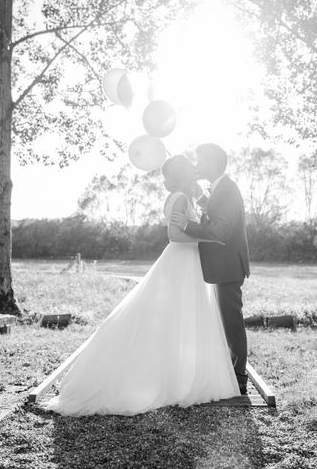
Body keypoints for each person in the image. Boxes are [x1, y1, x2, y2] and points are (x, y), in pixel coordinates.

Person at [42, 155, 239, 416]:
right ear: (184, 173)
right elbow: (175, 235)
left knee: (183, 317)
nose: (195, 170)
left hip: (188, 261)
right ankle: (169, 379)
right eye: (191, 169)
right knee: (176, 315)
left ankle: (180, 374)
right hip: (182, 259)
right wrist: (209, 240)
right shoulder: (180, 197)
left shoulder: (185, 196)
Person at [170, 143, 250, 394]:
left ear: (214, 163)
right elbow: (215, 214)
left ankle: (238, 377)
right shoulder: (220, 189)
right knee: (225, 318)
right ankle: (230, 370)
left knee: (231, 320)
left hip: (228, 265)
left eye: (201, 160)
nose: (197, 165)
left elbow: (221, 231)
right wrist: (203, 199)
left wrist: (188, 225)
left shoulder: (227, 190)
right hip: (222, 265)